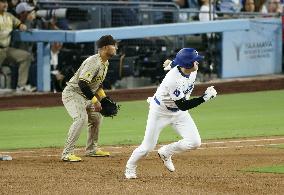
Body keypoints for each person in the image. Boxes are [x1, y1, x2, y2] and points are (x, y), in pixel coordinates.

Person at [125, 48, 217, 179]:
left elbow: (176, 62)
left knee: (195, 142)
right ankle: (130, 166)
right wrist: (205, 97)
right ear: (188, 64)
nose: (198, 63)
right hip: (160, 112)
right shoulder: (173, 80)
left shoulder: (187, 68)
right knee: (147, 147)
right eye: (195, 61)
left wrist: (170, 62)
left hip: (178, 112)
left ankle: (166, 152)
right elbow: (183, 105)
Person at [61, 35, 118, 162]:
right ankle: (67, 153)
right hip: (73, 94)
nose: (116, 48)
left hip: (85, 95)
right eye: (113, 45)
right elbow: (82, 83)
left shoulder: (105, 62)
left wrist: (103, 98)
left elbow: (97, 84)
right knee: (81, 118)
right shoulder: (94, 62)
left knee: (97, 117)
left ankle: (92, 149)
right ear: (104, 47)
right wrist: (95, 100)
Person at [0, 0, 35, 92]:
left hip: (6, 49)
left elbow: (19, 24)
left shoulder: (9, 16)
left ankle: (21, 86)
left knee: (26, 56)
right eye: (2, 2)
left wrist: (22, 26)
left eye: (6, 2)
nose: (5, 4)